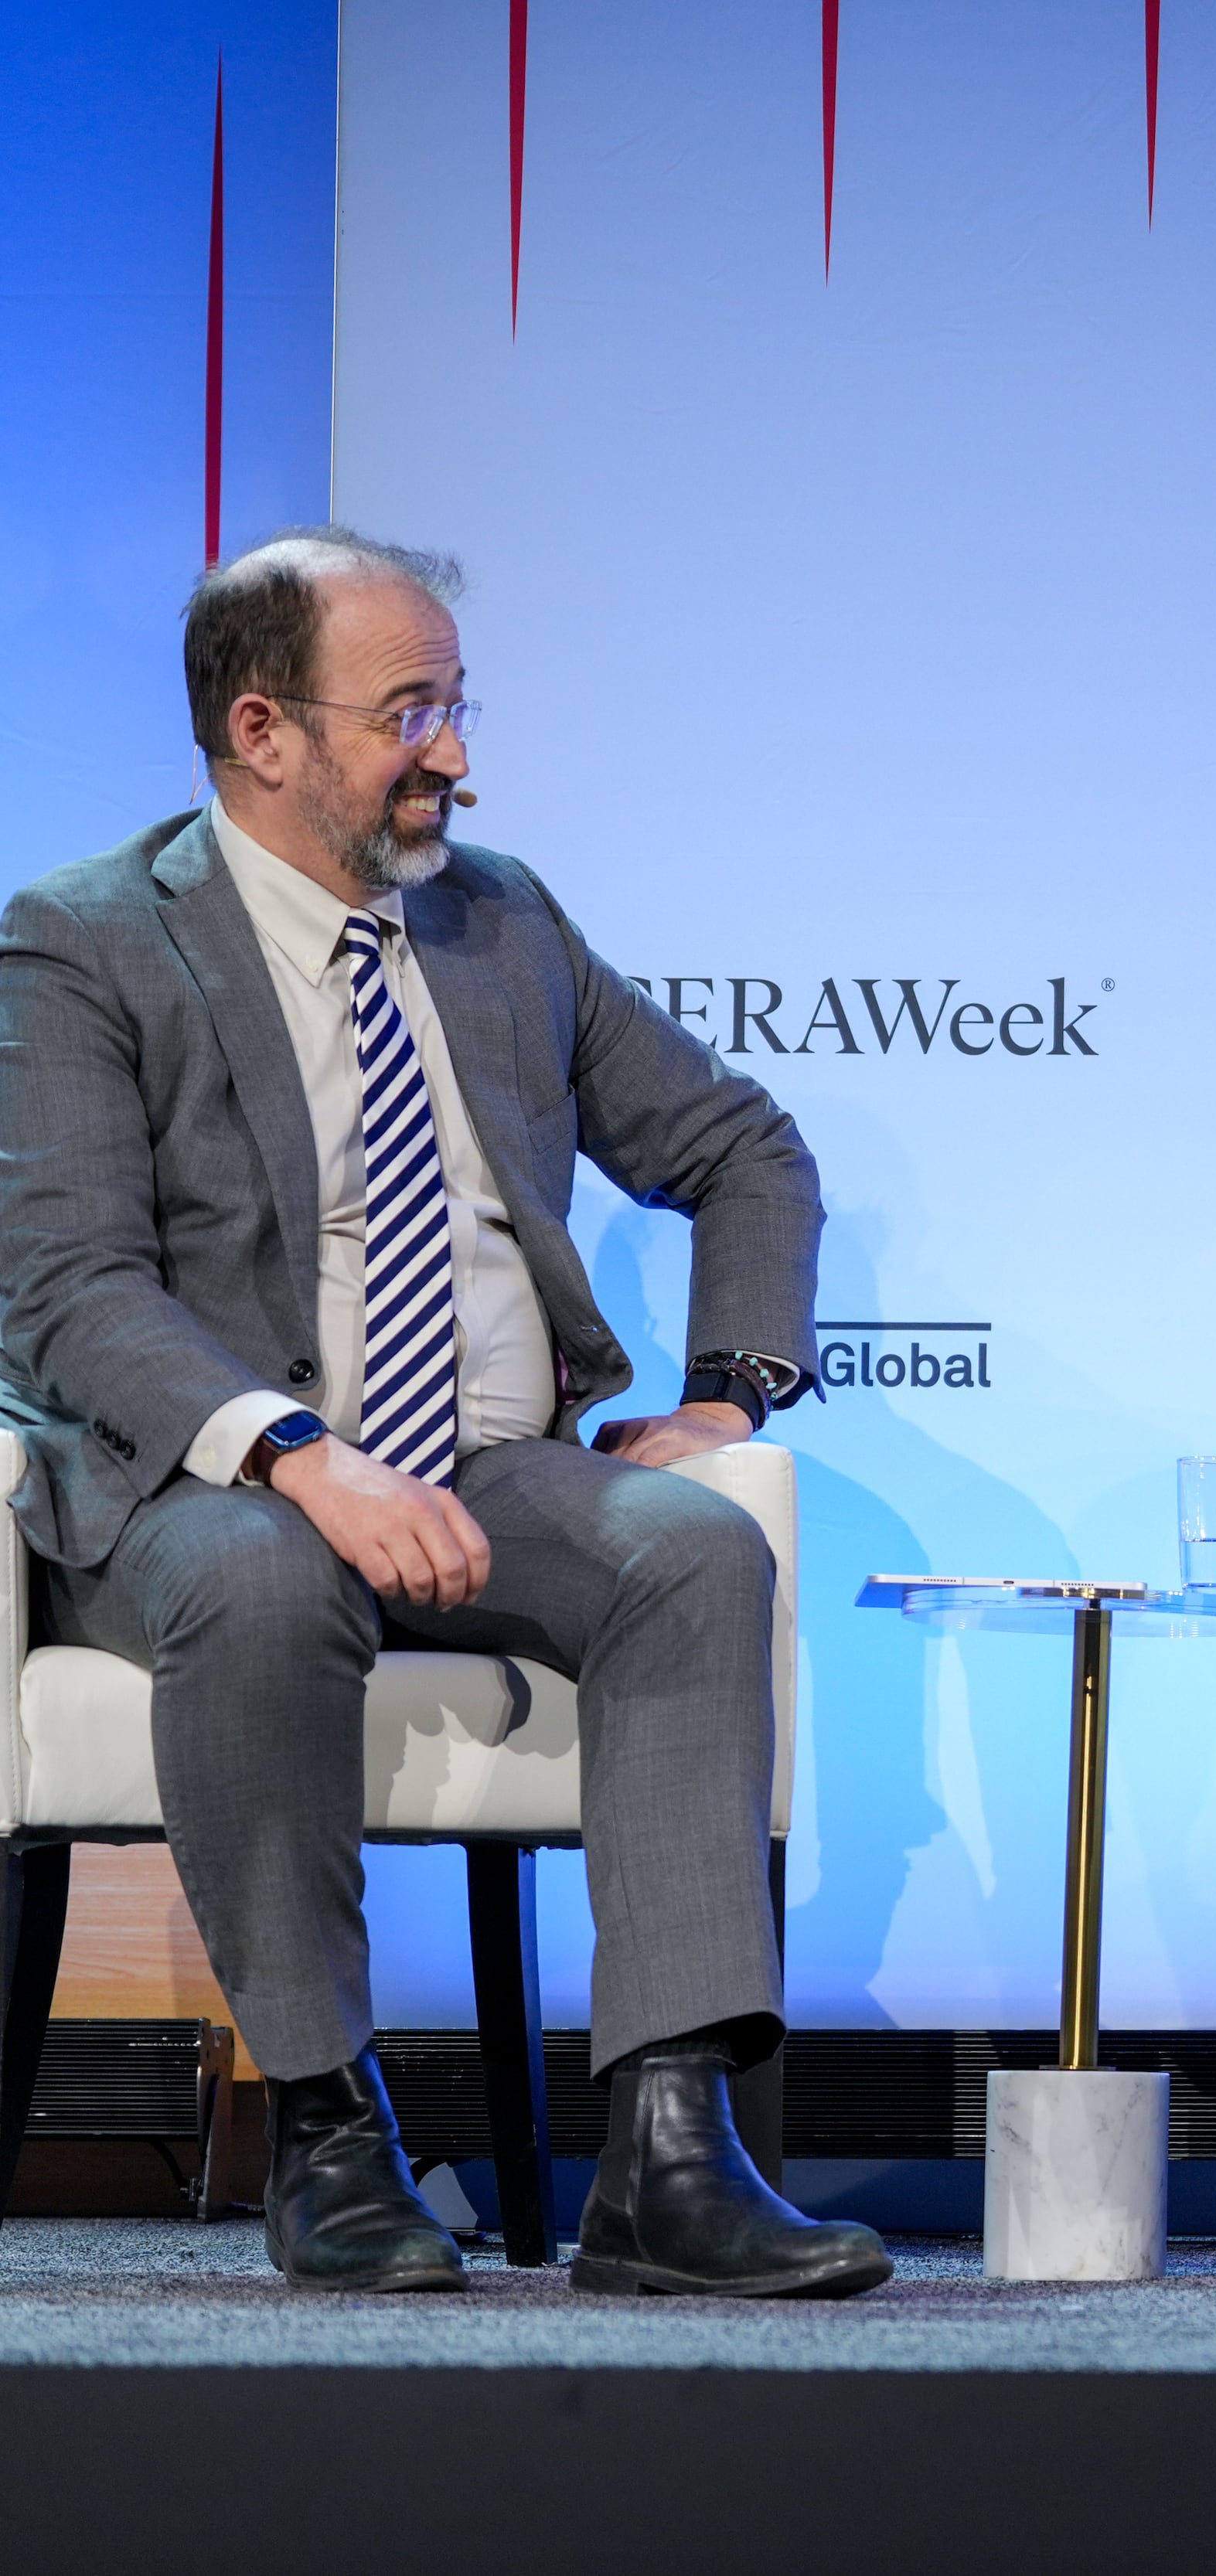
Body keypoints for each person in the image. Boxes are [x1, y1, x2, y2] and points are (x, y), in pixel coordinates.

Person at [0, 529, 886, 2299]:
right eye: (410, 709)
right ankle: (331, 2130)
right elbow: (64, 1287)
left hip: (486, 1461)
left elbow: (743, 1149)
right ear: (264, 731)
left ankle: (668, 2154)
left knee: (690, 1555)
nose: (456, 753)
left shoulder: (502, 919)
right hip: (206, 1484)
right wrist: (302, 1454)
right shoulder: (85, 941)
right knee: (260, 1572)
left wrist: (728, 1394)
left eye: (456, 704)